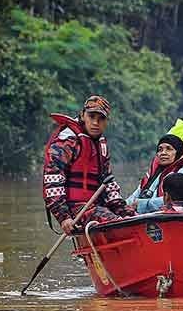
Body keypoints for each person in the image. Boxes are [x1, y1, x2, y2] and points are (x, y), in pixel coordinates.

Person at [42, 95, 134, 233]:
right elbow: (52, 180)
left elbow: (108, 183)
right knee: (118, 224)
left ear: (107, 121)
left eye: (101, 119)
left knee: (131, 218)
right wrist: (63, 217)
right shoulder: (67, 141)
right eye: (92, 117)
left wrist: (124, 210)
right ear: (83, 115)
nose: (96, 123)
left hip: (96, 206)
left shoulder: (101, 145)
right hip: (76, 209)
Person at [127, 133, 183, 214]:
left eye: (169, 149)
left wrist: (142, 204)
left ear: (178, 152)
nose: (163, 153)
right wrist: (124, 205)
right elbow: (136, 194)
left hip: (175, 216)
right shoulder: (154, 174)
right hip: (149, 217)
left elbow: (182, 202)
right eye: (160, 150)